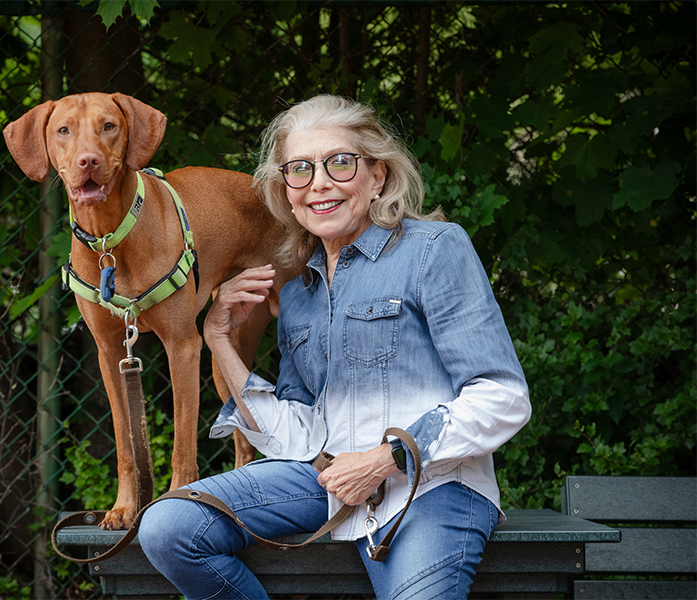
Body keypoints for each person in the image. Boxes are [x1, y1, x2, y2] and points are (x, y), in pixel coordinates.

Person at [138, 95, 531, 600]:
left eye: (340, 163)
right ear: (286, 191)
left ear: (378, 176)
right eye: (299, 169)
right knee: (171, 526)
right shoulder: (299, 291)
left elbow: (503, 396)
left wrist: (386, 458)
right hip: (324, 484)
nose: (319, 183)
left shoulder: (434, 249)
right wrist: (218, 339)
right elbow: (297, 438)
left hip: (434, 489)